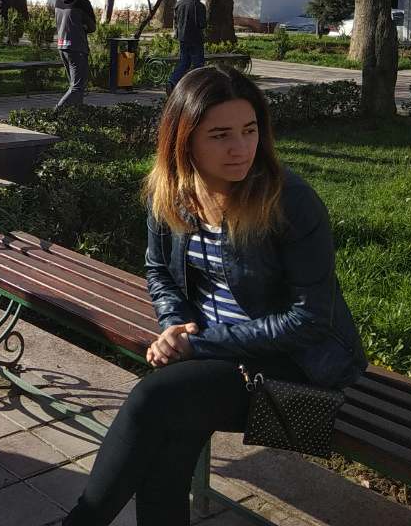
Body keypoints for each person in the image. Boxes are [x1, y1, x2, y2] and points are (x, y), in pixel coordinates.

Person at [62, 66, 366, 526]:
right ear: (184, 141)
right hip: (218, 357)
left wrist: (198, 344)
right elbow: (159, 271)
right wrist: (174, 326)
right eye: (221, 135)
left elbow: (309, 320)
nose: (241, 148)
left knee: (156, 400)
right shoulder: (172, 194)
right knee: (168, 442)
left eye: (249, 130)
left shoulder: (290, 201)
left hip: (299, 368)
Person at [55, 0, 98, 108]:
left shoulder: (58, 1)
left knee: (74, 86)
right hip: (77, 47)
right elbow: (92, 26)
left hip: (62, 46)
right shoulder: (82, 2)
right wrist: (83, 27)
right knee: (77, 87)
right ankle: (55, 113)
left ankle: (76, 115)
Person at [168, 0, 210, 93]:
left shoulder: (180, 3)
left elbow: (176, 21)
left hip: (182, 38)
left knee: (184, 62)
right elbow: (202, 24)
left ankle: (172, 81)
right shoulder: (200, 6)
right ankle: (197, 87)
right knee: (198, 64)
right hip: (196, 39)